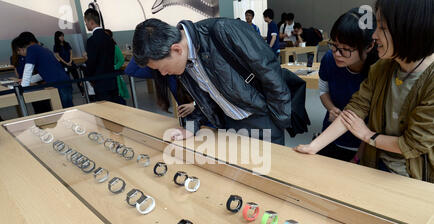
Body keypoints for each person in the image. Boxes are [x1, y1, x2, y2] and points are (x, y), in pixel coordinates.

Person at [296, 0, 434, 183]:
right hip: (376, 166)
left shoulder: (429, 80)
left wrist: (367, 135)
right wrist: (313, 147)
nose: (375, 35)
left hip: (414, 177)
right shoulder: (382, 68)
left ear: (409, 30)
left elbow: (413, 143)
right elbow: (355, 109)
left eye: (382, 28)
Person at [132, 18, 303, 145]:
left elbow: (270, 71)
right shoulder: (183, 63)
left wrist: (278, 121)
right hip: (229, 123)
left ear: (176, 49)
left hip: (262, 118)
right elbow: (204, 95)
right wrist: (191, 127)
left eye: (161, 67)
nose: (163, 73)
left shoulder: (223, 31)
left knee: (269, 179)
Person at [317, 8, 378, 162]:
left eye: (345, 49)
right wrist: (331, 108)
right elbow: (323, 90)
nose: (337, 53)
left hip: (364, 144)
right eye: (334, 45)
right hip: (330, 136)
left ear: (369, 46)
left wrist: (358, 156)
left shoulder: (378, 70)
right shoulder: (329, 59)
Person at [16, 32, 73, 108]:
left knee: (63, 111)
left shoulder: (31, 49)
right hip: (64, 82)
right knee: (69, 109)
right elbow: (45, 72)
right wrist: (29, 80)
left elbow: (28, 69)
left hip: (57, 85)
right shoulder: (44, 49)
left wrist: (22, 87)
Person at [83, 8, 120, 103]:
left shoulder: (91, 40)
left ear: (91, 22)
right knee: (115, 108)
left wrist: (90, 77)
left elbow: (92, 63)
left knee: (105, 110)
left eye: (86, 22)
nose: (86, 24)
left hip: (100, 81)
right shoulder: (109, 38)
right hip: (112, 80)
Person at [53, 31, 85, 96]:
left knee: (77, 78)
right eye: (60, 36)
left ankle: (83, 92)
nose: (62, 37)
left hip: (71, 63)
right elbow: (58, 56)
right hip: (63, 65)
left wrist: (70, 61)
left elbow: (71, 52)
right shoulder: (56, 46)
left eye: (62, 36)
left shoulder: (66, 44)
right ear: (57, 37)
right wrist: (66, 63)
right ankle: (69, 93)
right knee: (67, 79)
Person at [104, 29, 129, 104]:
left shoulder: (114, 47)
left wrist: (114, 67)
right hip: (105, 75)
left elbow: (121, 60)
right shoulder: (102, 48)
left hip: (114, 74)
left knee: (117, 95)